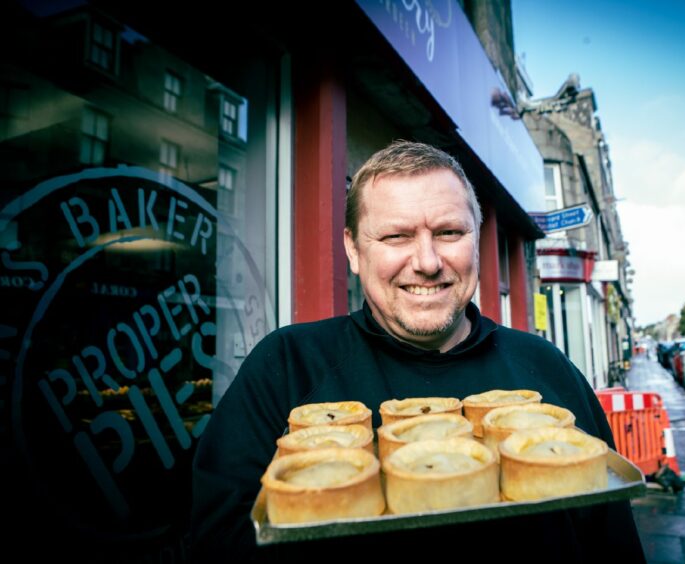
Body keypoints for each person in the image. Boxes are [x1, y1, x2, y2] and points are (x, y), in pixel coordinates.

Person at [190, 140, 645, 561]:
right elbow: (218, 540)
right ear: (352, 249)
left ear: (475, 238)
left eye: (449, 232)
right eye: (396, 237)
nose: (427, 263)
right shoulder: (286, 366)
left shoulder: (546, 368)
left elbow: (612, 541)